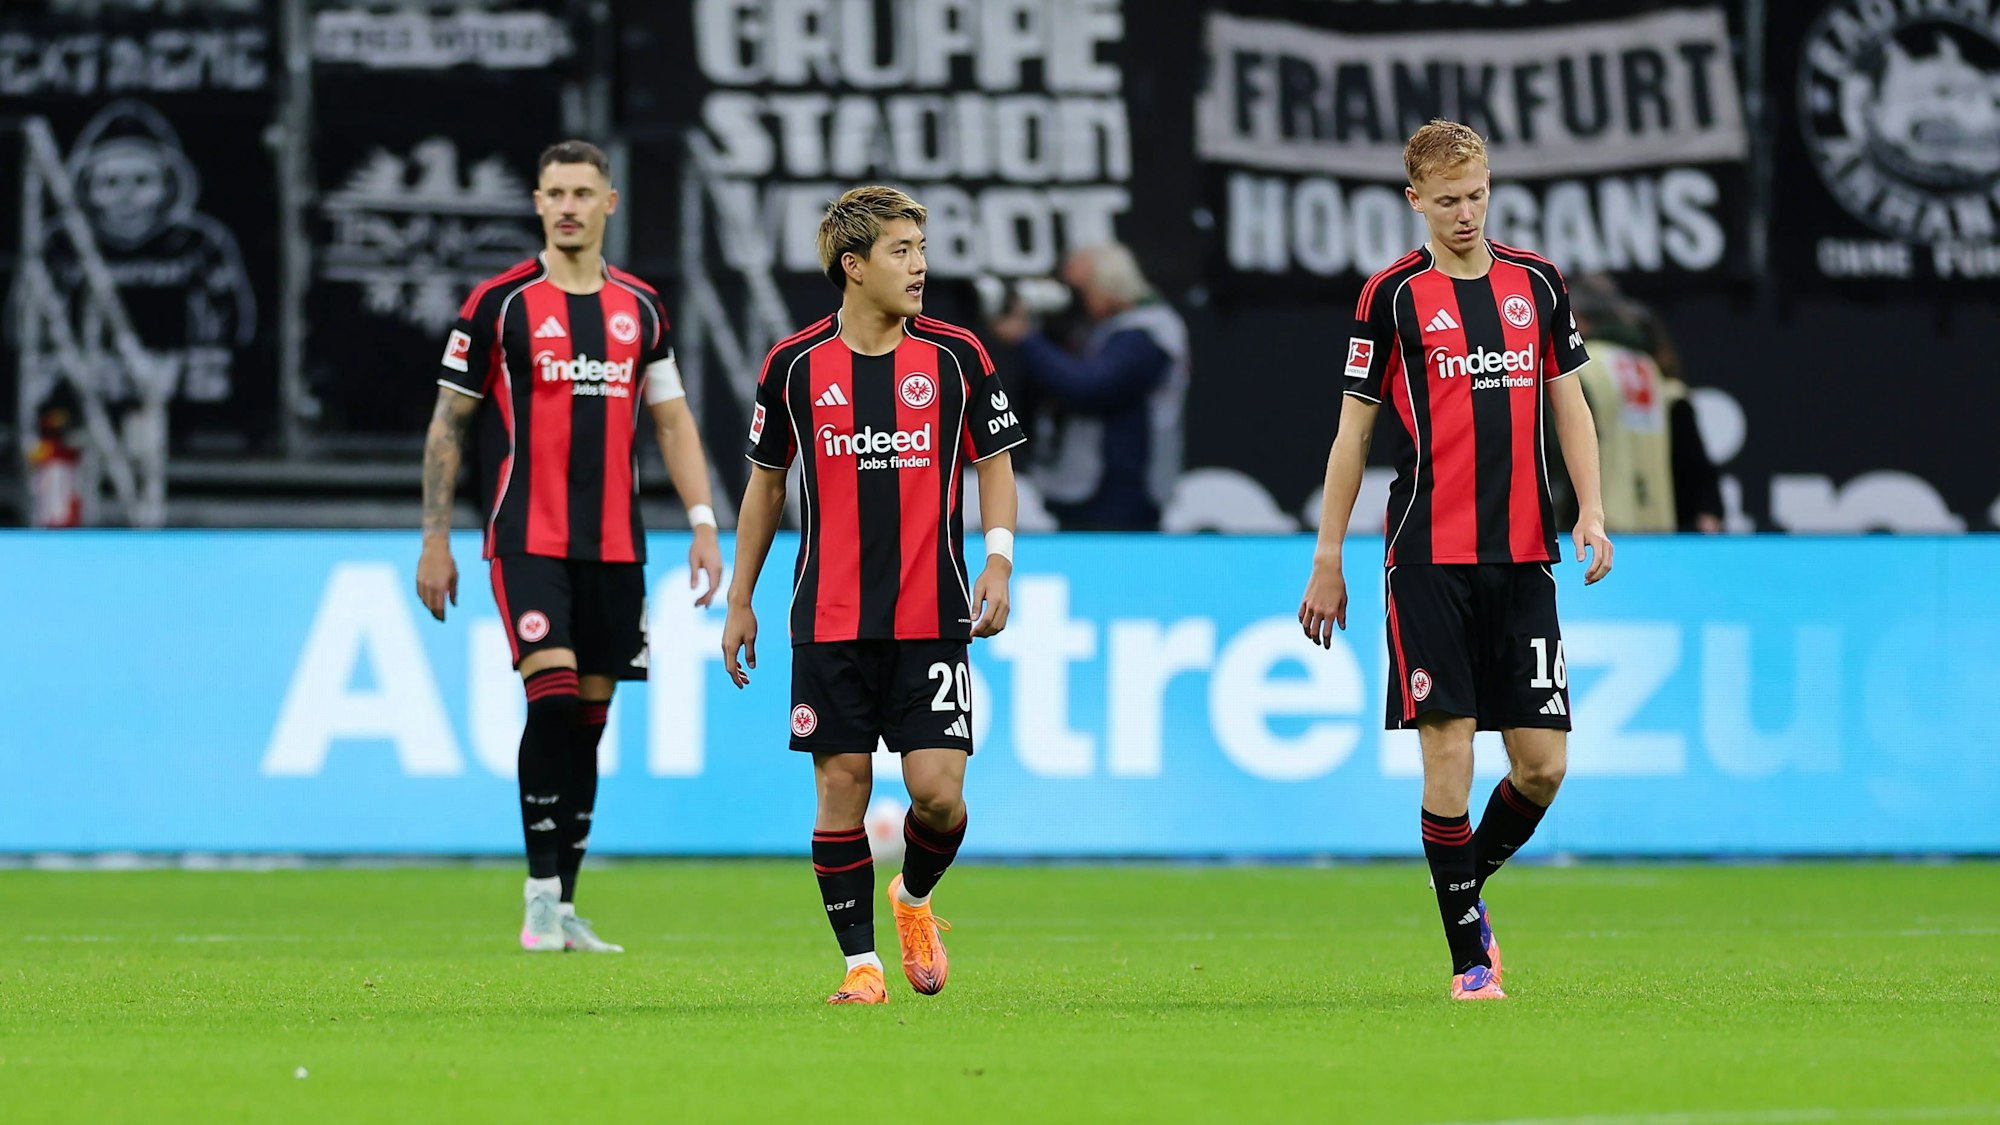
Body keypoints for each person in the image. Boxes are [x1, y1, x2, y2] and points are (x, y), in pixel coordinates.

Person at [1296, 120, 1614, 1001]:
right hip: (1427, 555)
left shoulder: (1537, 284)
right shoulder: (1390, 296)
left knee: (1543, 764)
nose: (1466, 213)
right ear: (1415, 203)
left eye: (1476, 195)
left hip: (1524, 556)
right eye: (1447, 201)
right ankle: (1470, 956)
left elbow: (1571, 406)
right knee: (1449, 763)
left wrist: (1590, 509)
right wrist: (1330, 556)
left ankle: (1459, 883)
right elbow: (1352, 435)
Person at [415, 140, 724, 954]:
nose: (568, 206)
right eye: (555, 192)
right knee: (550, 699)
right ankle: (539, 892)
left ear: (609, 203)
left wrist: (701, 520)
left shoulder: (642, 310)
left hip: (616, 546)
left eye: (583, 192)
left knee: (587, 720)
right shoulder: (499, 305)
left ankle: (565, 904)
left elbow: (672, 420)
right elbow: (450, 423)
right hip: (527, 537)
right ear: (537, 200)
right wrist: (436, 537)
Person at [721, 185, 1024, 1005]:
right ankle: (861, 967)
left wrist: (997, 560)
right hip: (829, 614)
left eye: (921, 248)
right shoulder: (793, 365)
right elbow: (763, 486)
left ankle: (914, 897)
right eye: (901, 250)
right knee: (842, 784)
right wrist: (740, 596)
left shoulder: (957, 355)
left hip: (932, 614)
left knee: (938, 794)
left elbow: (994, 462)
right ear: (852, 266)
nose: (920, 265)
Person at [988, 243, 1186, 531]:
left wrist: (1027, 340)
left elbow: (1090, 387)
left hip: (1123, 492)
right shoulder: (1094, 329)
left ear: (1107, 285)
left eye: (1078, 290)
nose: (1072, 300)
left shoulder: (1148, 333)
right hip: (1078, 486)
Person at [1561, 274, 1723, 534]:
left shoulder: (1582, 368)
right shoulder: (1647, 367)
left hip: (1599, 526)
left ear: (1575, 317)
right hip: (1656, 524)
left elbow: (1558, 453)